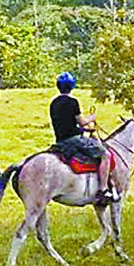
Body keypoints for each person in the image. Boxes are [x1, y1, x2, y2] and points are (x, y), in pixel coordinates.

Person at [49, 72, 119, 203]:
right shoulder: (73, 102)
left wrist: (85, 130)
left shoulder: (53, 103)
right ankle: (103, 189)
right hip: (74, 140)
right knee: (105, 155)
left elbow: (65, 124)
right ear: (72, 86)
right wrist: (91, 119)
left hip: (60, 140)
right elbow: (81, 121)